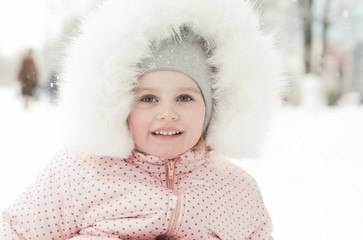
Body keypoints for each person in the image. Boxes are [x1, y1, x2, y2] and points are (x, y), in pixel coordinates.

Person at [1, 0, 284, 239]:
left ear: (212, 110)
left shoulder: (235, 191)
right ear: (120, 106)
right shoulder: (78, 174)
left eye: (185, 98)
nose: (167, 113)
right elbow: (16, 231)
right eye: (148, 99)